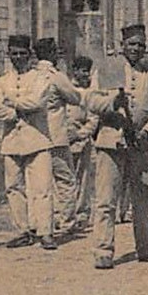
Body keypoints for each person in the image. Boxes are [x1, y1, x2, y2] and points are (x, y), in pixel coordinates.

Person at [83, 24, 148, 269]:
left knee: (142, 199)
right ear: (123, 45)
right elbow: (91, 100)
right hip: (110, 143)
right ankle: (103, 251)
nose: (136, 49)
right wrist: (112, 102)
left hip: (138, 145)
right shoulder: (107, 69)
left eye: (141, 44)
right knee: (106, 199)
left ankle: (146, 248)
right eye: (132, 44)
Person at [0, 34, 60, 250]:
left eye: (22, 53)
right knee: (13, 187)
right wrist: (16, 111)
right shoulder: (1, 81)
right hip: (12, 141)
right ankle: (22, 230)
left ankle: (45, 231)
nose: (18, 57)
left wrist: (12, 103)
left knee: (42, 187)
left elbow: (38, 100)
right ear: (8, 55)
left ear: (29, 55)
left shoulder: (40, 78)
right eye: (14, 54)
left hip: (38, 139)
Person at [33, 37, 87, 235]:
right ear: (50, 54)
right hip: (56, 136)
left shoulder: (31, 75)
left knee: (39, 183)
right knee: (65, 180)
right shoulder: (56, 76)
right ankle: (66, 222)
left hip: (35, 137)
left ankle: (40, 223)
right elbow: (75, 97)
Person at [64, 55, 100, 231]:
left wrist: (80, 135)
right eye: (82, 71)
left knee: (83, 180)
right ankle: (64, 215)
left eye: (87, 71)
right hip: (62, 141)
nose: (85, 74)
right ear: (75, 71)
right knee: (65, 180)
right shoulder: (66, 88)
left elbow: (93, 120)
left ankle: (82, 215)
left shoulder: (90, 93)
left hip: (82, 141)